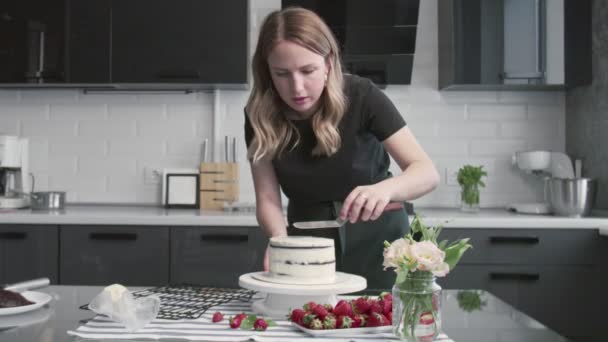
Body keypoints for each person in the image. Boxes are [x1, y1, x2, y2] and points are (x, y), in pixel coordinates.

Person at [244, 7, 439, 292]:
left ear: (328, 63)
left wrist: (385, 189)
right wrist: (278, 241)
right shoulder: (258, 114)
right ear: (267, 71)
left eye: (307, 70)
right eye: (282, 74)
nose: (297, 87)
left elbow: (426, 172)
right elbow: (267, 197)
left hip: (380, 241)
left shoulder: (362, 95)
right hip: (306, 245)